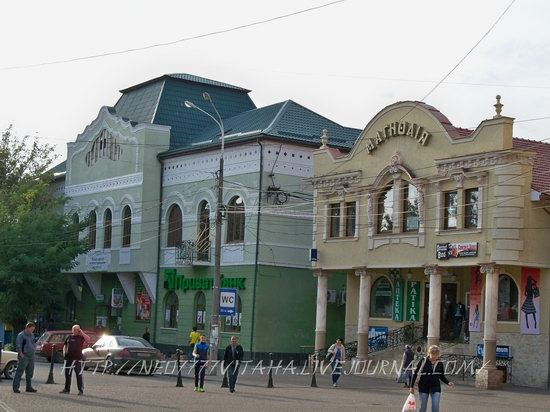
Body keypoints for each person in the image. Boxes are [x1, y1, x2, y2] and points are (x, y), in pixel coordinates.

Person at [410, 345, 454, 412]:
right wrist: (411, 386)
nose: (434, 356)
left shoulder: (440, 363)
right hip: (423, 386)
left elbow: (441, 375)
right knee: (422, 408)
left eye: (436, 355)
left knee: (435, 407)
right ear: (429, 353)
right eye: (432, 354)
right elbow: (415, 373)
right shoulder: (423, 361)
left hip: (435, 387)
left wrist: (448, 382)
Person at [60, 325, 91, 395]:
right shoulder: (69, 337)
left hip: (77, 359)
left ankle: (80, 390)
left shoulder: (81, 337)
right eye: (74, 329)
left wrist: (82, 332)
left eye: (77, 329)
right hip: (68, 358)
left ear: (79, 330)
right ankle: (66, 389)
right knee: (67, 374)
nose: (75, 331)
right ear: (72, 330)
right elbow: (65, 345)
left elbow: (88, 339)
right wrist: (64, 352)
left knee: (78, 374)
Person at [13, 322, 37, 394]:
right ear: (27, 328)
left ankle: (29, 387)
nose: (32, 331)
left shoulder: (32, 335)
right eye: (31, 329)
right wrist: (21, 354)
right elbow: (18, 345)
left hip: (31, 356)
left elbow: (33, 343)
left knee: (30, 373)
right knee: (20, 371)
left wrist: (34, 351)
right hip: (24, 355)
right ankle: (16, 387)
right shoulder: (21, 335)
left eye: (33, 329)